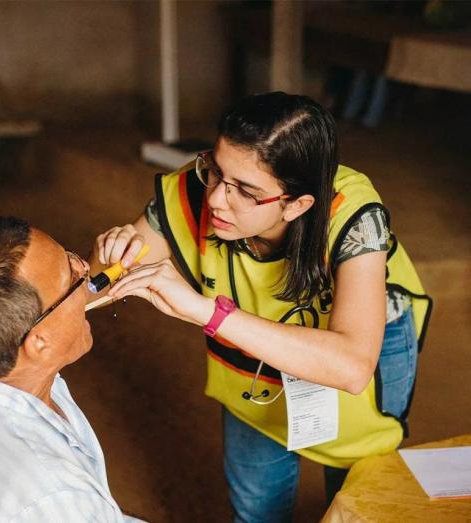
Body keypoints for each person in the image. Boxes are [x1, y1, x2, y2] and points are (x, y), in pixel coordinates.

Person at [93, 92, 431, 522]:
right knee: (256, 508)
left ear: (298, 204)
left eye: (246, 192)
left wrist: (206, 312)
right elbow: (100, 279)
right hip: (249, 353)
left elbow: (351, 366)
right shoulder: (195, 190)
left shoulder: (352, 213)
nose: (216, 199)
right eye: (215, 171)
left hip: (360, 339)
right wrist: (110, 255)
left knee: (360, 497)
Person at [0, 216, 142, 522]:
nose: (86, 269)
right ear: (39, 343)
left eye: (72, 257)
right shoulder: (58, 497)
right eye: (72, 277)